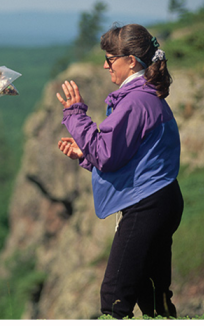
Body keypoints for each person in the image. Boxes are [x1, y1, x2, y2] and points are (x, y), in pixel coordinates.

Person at [56, 24, 184, 319]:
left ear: (131, 60)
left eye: (110, 58)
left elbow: (108, 155)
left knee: (114, 297)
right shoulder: (147, 96)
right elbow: (129, 155)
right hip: (162, 198)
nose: (105, 65)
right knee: (153, 295)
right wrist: (84, 152)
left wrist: (76, 114)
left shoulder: (135, 101)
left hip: (147, 204)